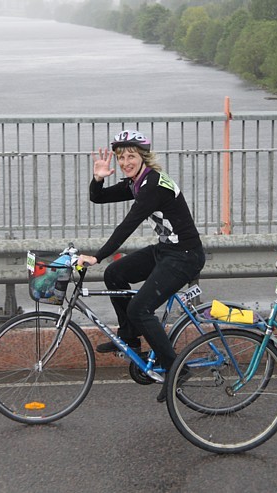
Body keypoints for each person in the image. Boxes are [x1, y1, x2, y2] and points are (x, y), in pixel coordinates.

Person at [76, 130, 205, 403]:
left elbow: (128, 225)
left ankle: (176, 370)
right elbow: (97, 198)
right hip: (167, 251)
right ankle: (130, 338)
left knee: (140, 308)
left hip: (185, 255)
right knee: (115, 274)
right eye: (121, 157)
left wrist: (97, 256)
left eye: (131, 156)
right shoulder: (137, 182)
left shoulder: (153, 185)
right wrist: (98, 178)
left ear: (143, 157)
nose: (125, 162)